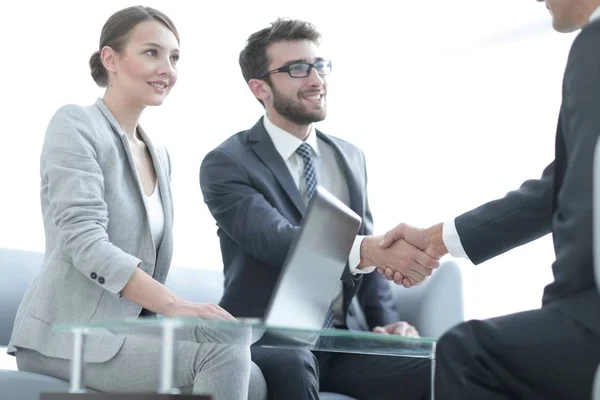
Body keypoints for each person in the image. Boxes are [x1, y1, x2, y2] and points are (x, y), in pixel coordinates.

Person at [7, 6, 265, 399]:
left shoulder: (159, 153)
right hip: (66, 333)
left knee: (251, 367)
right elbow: (85, 243)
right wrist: (176, 306)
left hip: (128, 331)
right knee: (222, 354)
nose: (167, 68)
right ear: (110, 58)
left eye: (174, 57)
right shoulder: (75, 124)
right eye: (151, 53)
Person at [200, 18, 437, 400]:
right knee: (292, 362)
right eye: (296, 69)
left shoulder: (349, 156)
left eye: (319, 66)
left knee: (440, 368)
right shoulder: (227, 162)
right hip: (269, 338)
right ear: (260, 87)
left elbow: (370, 265)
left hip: (341, 340)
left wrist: (386, 324)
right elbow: (276, 240)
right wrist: (368, 248)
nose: (315, 80)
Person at [378, 0, 600, 398]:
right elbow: (560, 186)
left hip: (590, 316)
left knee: (465, 353)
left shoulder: (595, 47)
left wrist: (567, 311)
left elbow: (577, 199)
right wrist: (437, 238)